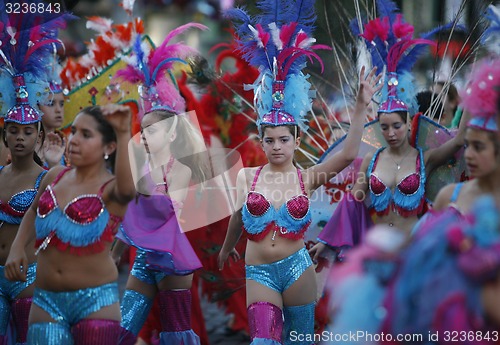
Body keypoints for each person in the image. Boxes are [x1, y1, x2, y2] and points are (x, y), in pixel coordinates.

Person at [218, 2, 382, 343]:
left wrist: (361, 107)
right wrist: (225, 248)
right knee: (263, 339)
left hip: (297, 271)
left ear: (295, 141)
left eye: (283, 140)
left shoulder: (307, 177)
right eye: (270, 140)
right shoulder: (248, 177)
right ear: (261, 142)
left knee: (300, 340)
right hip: (258, 272)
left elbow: (349, 153)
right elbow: (237, 216)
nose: (277, 146)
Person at [310, 5, 470, 262]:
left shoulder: (425, 158)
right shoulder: (370, 161)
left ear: (408, 124)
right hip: (379, 253)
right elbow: (353, 203)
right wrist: (326, 241)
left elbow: (461, 140)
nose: (391, 132)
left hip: (413, 253)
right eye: (384, 127)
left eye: (396, 126)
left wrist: (473, 101)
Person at [5, 104, 135, 344]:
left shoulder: (112, 189)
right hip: (45, 301)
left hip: (95, 304)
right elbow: (34, 210)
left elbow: (128, 189)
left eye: (86, 135)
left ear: (109, 147)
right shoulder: (55, 176)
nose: (74, 140)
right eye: (74, 131)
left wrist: (124, 131)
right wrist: (17, 246)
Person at [110, 25, 208, 345]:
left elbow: (160, 211)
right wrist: (116, 251)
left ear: (172, 133)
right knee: (124, 328)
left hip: (172, 259)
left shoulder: (178, 170)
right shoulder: (141, 165)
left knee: (175, 334)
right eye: (144, 129)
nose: (146, 136)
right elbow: (130, 211)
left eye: (153, 131)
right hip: (143, 257)